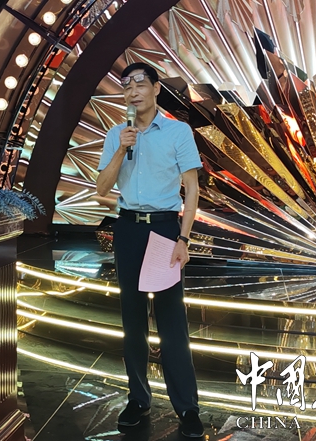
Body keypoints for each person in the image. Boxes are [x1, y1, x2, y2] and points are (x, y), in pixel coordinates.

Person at [96, 62, 204, 438]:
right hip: (128, 229)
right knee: (133, 322)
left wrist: (184, 239)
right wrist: (120, 150)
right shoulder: (117, 134)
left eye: (140, 84)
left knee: (172, 323)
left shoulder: (177, 131)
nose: (133, 91)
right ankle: (138, 399)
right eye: (126, 86)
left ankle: (187, 407)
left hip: (164, 230)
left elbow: (192, 188)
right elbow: (102, 188)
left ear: (156, 89)